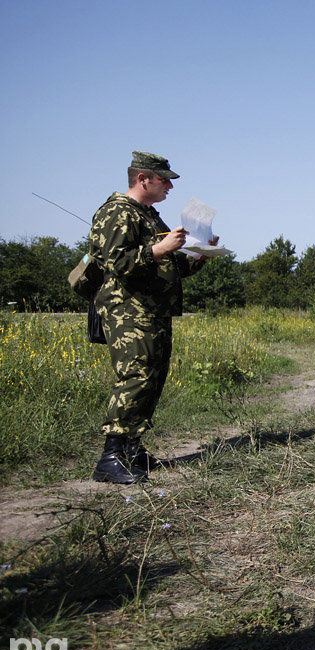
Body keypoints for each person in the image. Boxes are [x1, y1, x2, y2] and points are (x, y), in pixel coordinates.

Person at [89, 151, 213, 484]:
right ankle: (110, 458)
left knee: (152, 379)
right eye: (164, 180)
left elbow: (172, 267)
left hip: (153, 312)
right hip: (128, 311)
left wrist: (200, 254)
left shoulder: (149, 216)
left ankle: (132, 450)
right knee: (135, 377)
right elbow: (116, 262)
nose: (169, 187)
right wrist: (160, 248)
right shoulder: (115, 212)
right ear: (143, 179)